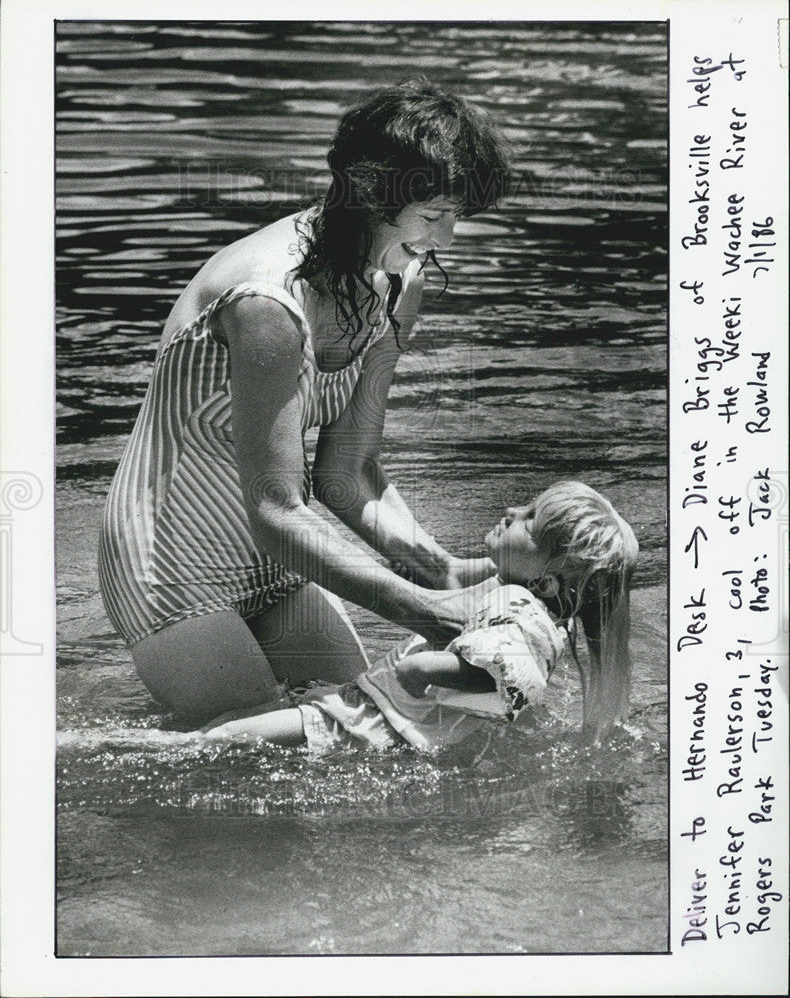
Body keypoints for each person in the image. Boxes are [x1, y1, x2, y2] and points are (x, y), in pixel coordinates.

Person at [98, 80, 510, 719]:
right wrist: (420, 608)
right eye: (433, 216)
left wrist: (439, 570)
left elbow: (347, 474)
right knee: (242, 751)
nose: (448, 239)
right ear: (371, 195)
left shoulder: (399, 282)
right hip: (169, 557)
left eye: (457, 215)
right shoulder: (268, 301)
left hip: (278, 558)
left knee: (367, 721)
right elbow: (277, 509)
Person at [196, 482, 639, 749]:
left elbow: (511, 673)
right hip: (373, 714)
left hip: (367, 726)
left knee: (222, 739)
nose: (511, 512)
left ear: (546, 583)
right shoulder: (525, 599)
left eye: (529, 520)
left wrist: (421, 667)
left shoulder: (526, 614)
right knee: (252, 727)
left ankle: (150, 745)